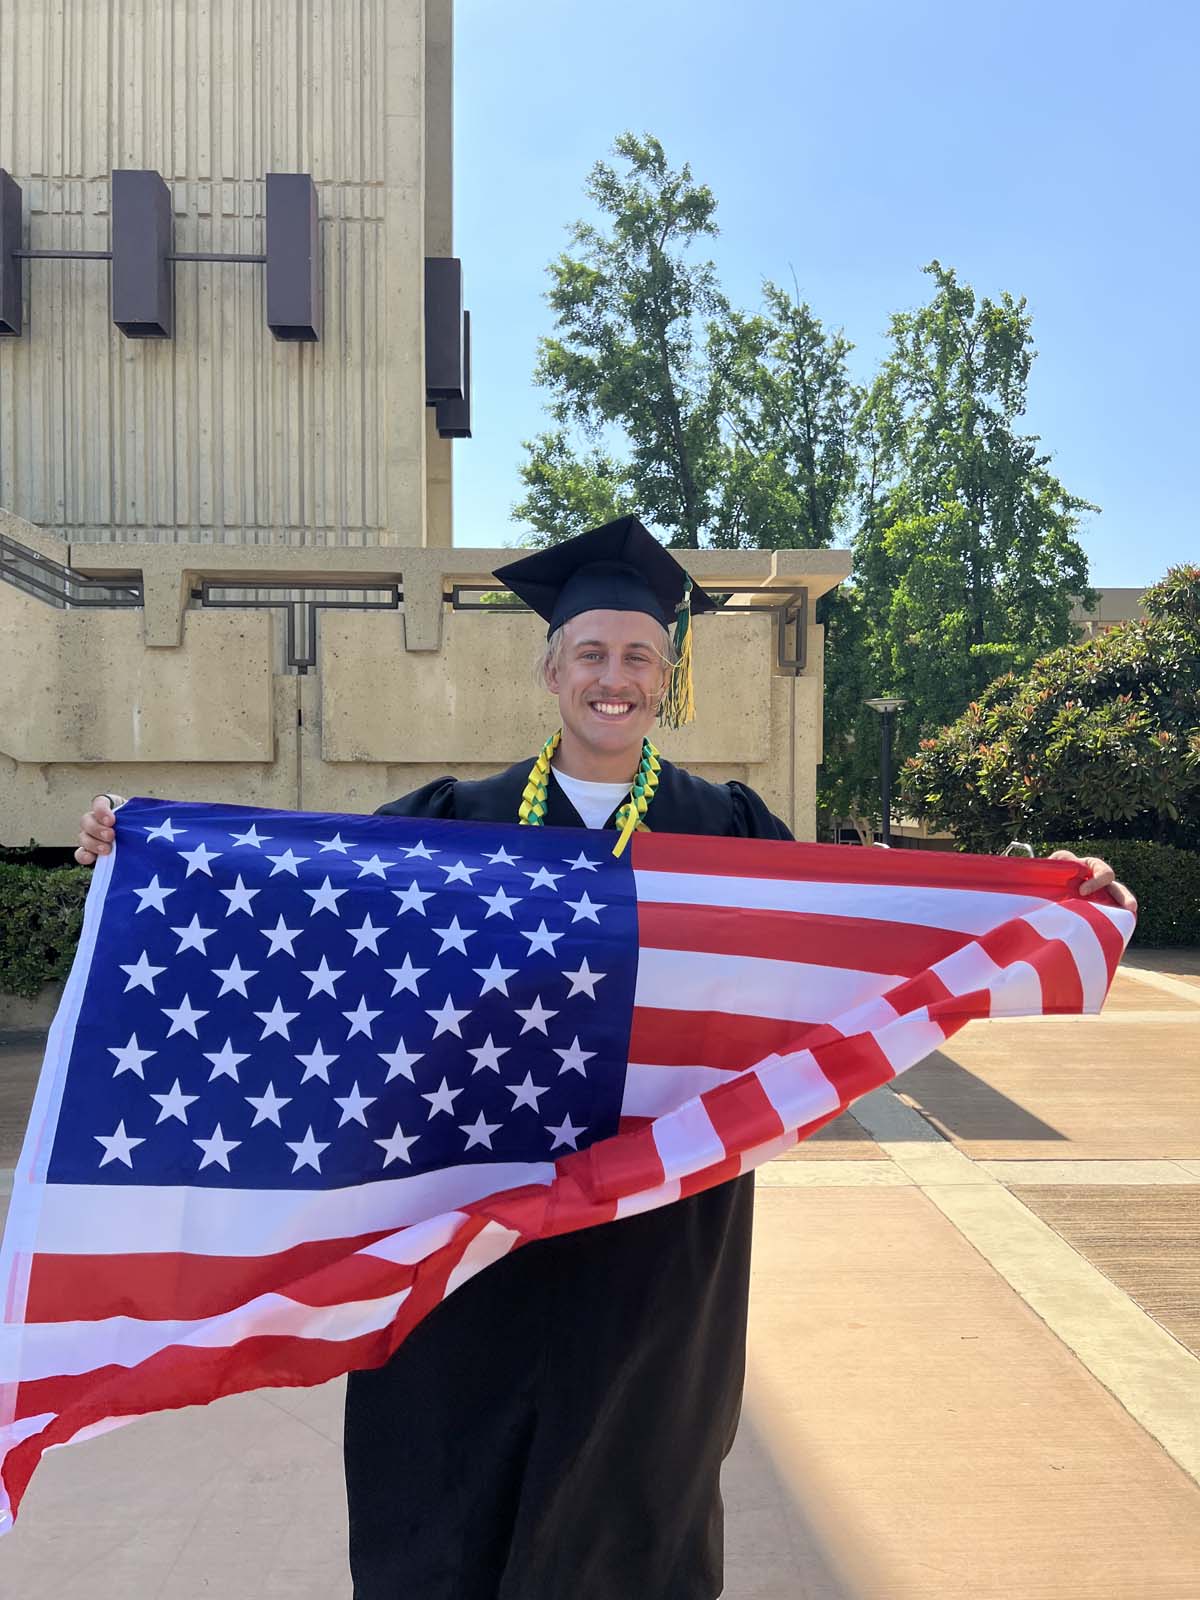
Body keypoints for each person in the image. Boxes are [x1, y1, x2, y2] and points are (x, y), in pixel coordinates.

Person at [75, 516, 1135, 1600]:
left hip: (656, 1242)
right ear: (551, 670)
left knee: (639, 1485)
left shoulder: (725, 830)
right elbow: (312, 902)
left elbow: (869, 919)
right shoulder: (457, 823)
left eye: (638, 657)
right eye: (591, 654)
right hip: (472, 1227)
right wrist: (146, 850)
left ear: (665, 680)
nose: (612, 678)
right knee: (453, 1477)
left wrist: (1039, 894)